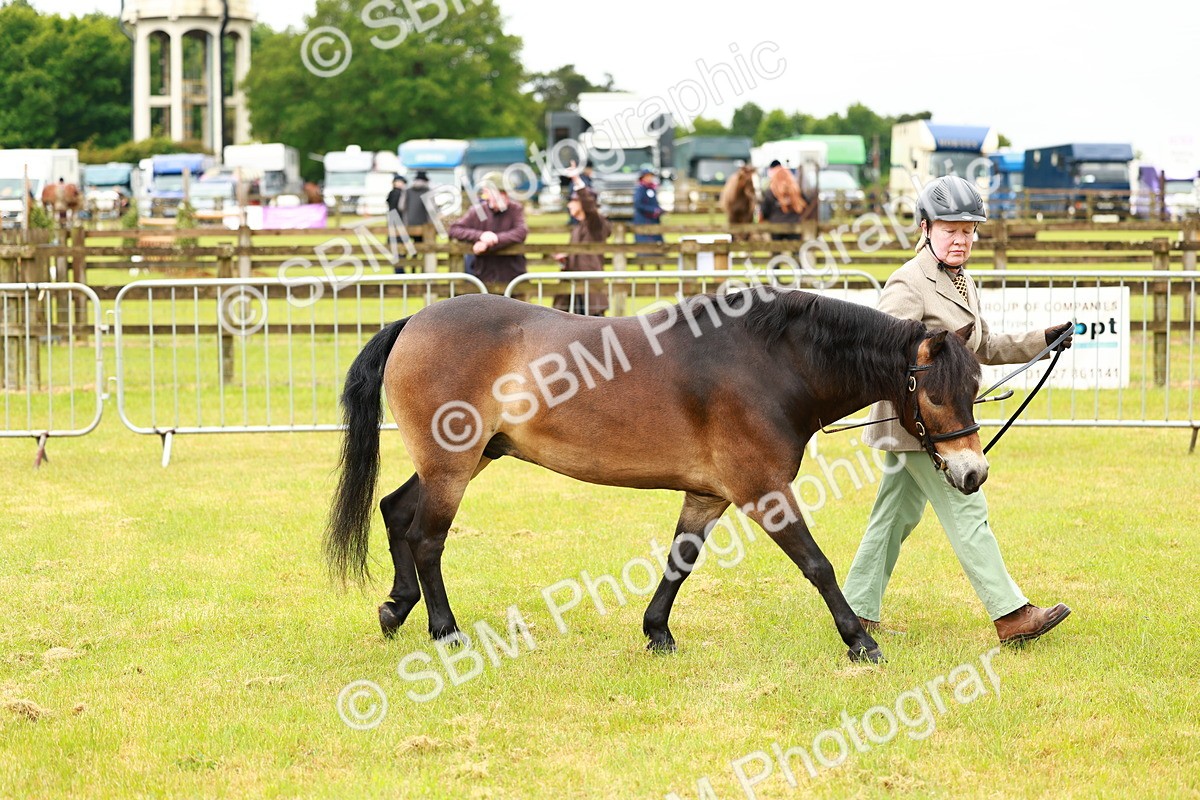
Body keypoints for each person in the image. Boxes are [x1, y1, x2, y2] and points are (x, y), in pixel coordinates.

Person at [842, 174, 1076, 646]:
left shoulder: (962, 281)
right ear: (926, 227)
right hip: (922, 428)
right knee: (968, 508)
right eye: (951, 229)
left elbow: (982, 343)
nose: (962, 239)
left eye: (969, 230)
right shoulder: (908, 282)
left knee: (892, 517)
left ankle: (856, 611)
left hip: (935, 425)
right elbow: (885, 351)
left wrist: (1041, 341)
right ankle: (1011, 614)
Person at [448, 172, 527, 287]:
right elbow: (454, 229)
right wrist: (480, 236)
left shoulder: (515, 209)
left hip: (512, 275)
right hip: (484, 275)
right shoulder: (478, 211)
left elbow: (521, 232)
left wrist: (494, 239)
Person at [553, 172, 612, 316]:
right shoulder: (578, 227)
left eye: (573, 201)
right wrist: (566, 257)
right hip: (574, 283)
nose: (569, 205)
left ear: (581, 203)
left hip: (590, 285)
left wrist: (576, 180)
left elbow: (590, 208)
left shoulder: (596, 224)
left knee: (595, 328)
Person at [759, 159, 805, 240]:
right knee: (796, 249)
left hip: (776, 225)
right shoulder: (795, 189)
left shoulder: (770, 191)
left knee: (776, 250)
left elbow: (765, 210)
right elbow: (806, 203)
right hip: (794, 224)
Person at [632, 168, 664, 245]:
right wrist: (653, 210)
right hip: (643, 220)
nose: (650, 178)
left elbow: (653, 203)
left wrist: (659, 210)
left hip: (653, 220)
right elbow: (638, 204)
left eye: (651, 176)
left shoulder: (652, 189)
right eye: (647, 176)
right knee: (645, 242)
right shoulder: (640, 189)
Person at [386, 174, 408, 273]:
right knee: (399, 247)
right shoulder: (397, 194)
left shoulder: (394, 193)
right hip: (398, 224)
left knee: (397, 248)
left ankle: (399, 269)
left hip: (395, 223)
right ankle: (399, 270)